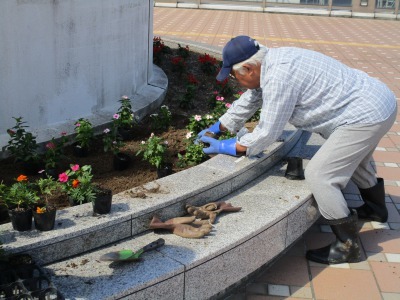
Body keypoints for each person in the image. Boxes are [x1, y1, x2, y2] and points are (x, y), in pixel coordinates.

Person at [198, 35, 397, 265]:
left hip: (364, 116)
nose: (235, 80)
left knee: (321, 175)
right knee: (355, 159)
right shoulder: (273, 62)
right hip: (379, 101)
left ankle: (347, 246)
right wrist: (219, 127)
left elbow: (266, 133)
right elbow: (252, 98)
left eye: (235, 75)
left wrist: (229, 146)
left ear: (250, 69)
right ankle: (375, 209)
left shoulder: (279, 78)